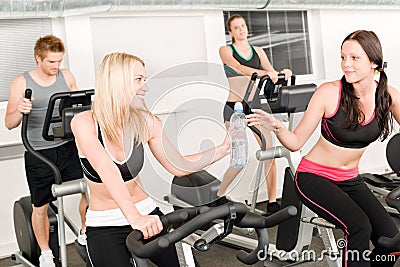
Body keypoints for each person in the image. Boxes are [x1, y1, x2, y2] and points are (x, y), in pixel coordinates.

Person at [247, 30, 400, 266]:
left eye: (354, 58)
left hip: (350, 179)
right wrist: (276, 126)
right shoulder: (329, 93)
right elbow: (296, 142)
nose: (345, 65)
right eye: (342, 57)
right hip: (313, 177)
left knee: (392, 240)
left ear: (374, 63)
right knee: (359, 226)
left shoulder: (388, 95)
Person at [71, 52, 230, 267]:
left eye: (145, 79)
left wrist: (222, 149)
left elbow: (177, 165)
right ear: (116, 81)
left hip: (148, 215)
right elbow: (106, 168)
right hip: (105, 224)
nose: (145, 86)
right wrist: (133, 217)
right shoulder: (84, 122)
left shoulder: (145, 121)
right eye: (139, 79)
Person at [4, 35, 88, 267]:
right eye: (51, 62)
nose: (56, 67)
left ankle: (84, 233)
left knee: (91, 189)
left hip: (67, 147)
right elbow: (9, 123)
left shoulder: (67, 76)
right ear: (38, 58)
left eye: (59, 61)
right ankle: (45, 253)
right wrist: (20, 110)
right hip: (39, 153)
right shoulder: (21, 83)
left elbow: (80, 110)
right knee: (39, 206)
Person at [218, 14, 292, 214]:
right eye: (236, 27)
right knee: (238, 158)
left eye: (243, 26)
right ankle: (218, 197)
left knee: (269, 151)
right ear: (231, 32)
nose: (241, 29)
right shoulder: (226, 50)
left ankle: (272, 202)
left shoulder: (258, 51)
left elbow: (271, 71)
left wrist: (281, 73)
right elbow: (239, 68)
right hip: (234, 107)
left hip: (255, 105)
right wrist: (266, 73)